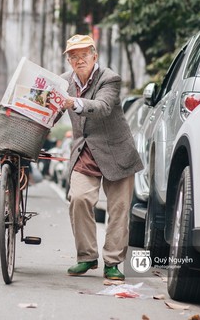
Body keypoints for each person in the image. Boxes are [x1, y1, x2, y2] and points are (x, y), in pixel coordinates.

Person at [58, 34, 144, 281]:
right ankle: (86, 257)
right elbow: (52, 110)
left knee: (118, 209)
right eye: (73, 56)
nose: (78, 60)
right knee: (79, 198)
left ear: (94, 56)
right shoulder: (63, 82)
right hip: (85, 150)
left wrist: (73, 102)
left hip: (117, 152)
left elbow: (103, 107)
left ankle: (113, 263)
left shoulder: (109, 78)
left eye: (83, 55)